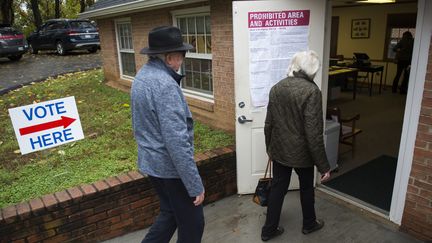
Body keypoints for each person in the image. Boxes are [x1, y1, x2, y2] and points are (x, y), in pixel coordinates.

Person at [131, 26, 205, 243]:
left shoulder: (143, 76)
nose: (182, 60)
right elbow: (177, 142)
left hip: (152, 164)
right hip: (170, 168)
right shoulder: (164, 85)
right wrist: (195, 185)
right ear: (170, 57)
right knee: (193, 223)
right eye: (181, 55)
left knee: (171, 213)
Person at [261, 50, 331, 241]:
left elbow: (269, 124)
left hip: (281, 150)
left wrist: (270, 149)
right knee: (306, 188)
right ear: (311, 71)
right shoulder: (312, 92)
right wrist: (324, 166)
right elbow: (313, 134)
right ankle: (309, 224)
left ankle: (268, 230)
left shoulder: (276, 88)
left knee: (277, 189)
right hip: (303, 155)